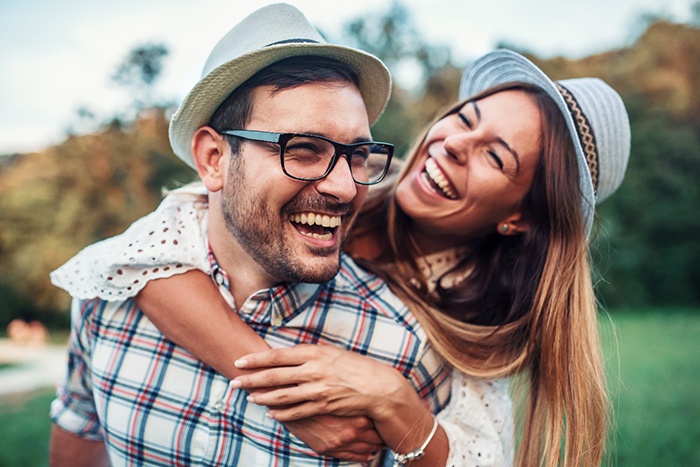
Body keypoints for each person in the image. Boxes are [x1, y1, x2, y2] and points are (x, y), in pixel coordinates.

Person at [54, 46, 631, 466]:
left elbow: (477, 456)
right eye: (464, 118)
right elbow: (149, 252)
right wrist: (290, 397)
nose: (453, 145)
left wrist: (396, 403)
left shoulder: (467, 330)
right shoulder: (344, 183)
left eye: (496, 158)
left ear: (519, 216)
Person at [47, 4, 454, 466]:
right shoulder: (111, 291)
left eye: (359, 154)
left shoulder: (402, 347)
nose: (345, 187)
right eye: (302, 149)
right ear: (213, 160)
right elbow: (79, 428)